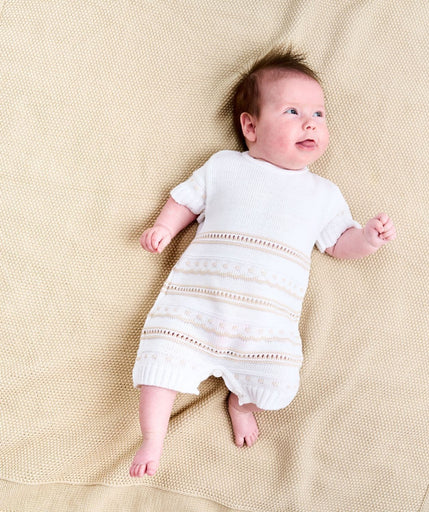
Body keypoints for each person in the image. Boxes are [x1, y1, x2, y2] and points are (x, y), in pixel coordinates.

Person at [129, 48, 396, 478]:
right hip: (196, 307)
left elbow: (337, 242)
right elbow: (186, 199)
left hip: (265, 325)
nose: (311, 123)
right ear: (250, 126)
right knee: (160, 362)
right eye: (293, 111)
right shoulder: (224, 167)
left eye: (319, 114)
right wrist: (164, 227)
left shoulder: (323, 195)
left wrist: (365, 239)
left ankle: (241, 402)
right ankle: (152, 438)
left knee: (277, 382)